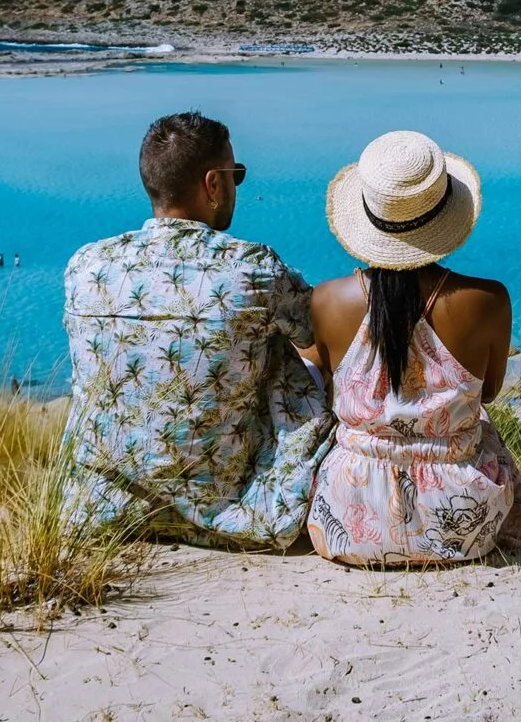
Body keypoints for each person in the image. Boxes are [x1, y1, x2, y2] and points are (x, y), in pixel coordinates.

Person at [60, 111, 332, 549]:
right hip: (229, 508)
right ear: (212, 184)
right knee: (291, 349)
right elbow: (318, 336)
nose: (236, 186)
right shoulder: (254, 269)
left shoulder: (85, 265)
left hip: (101, 508)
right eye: (235, 174)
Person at [300, 130, 521, 566]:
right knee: (482, 424)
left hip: (348, 523)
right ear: (445, 213)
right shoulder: (488, 301)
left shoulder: (326, 300)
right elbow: (487, 394)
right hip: (465, 524)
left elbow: (317, 388)